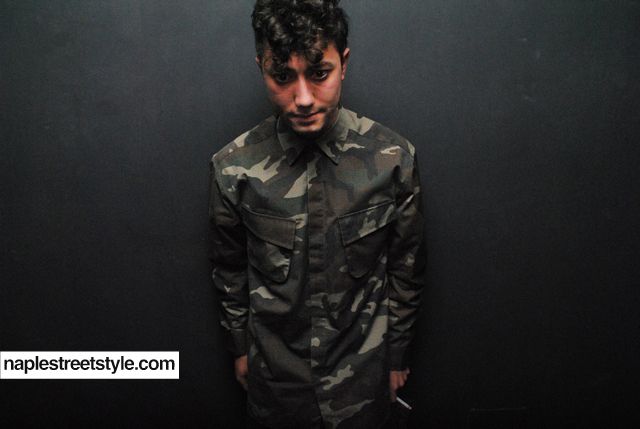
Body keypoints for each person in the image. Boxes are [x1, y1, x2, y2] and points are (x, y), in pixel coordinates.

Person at [208, 1, 426, 427]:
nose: (303, 98)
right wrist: (239, 347)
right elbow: (228, 269)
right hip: (276, 383)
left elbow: (407, 268)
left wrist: (397, 354)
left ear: (343, 63)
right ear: (261, 67)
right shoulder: (233, 169)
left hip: (363, 379)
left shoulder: (393, 159)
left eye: (319, 73)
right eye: (282, 77)